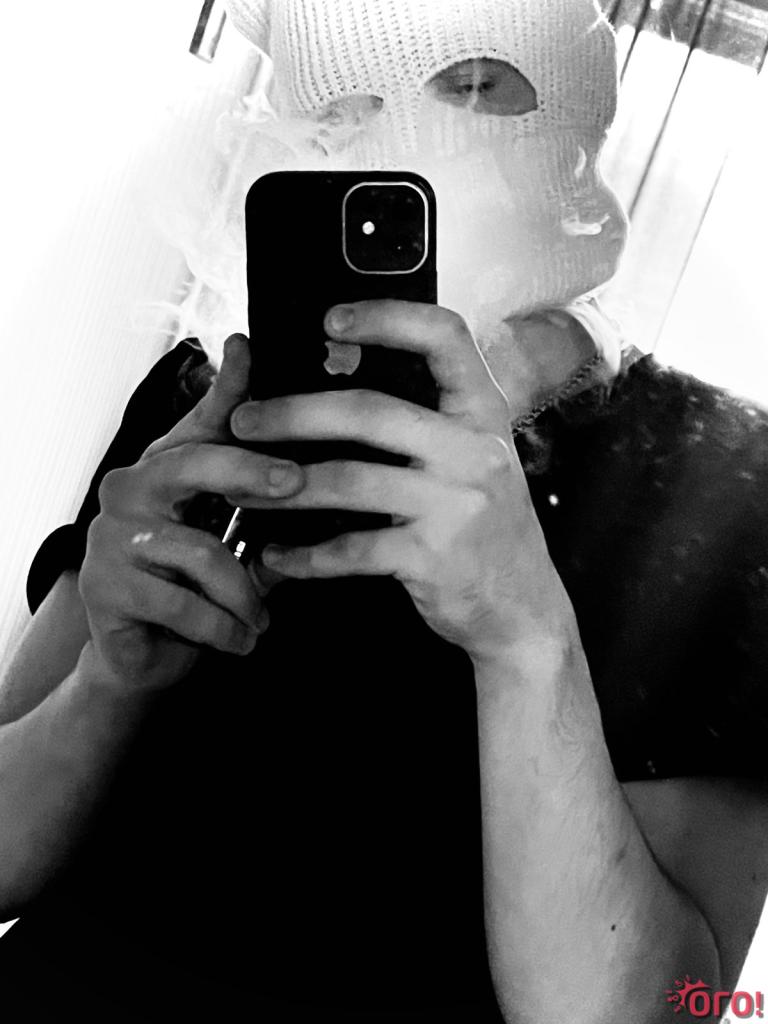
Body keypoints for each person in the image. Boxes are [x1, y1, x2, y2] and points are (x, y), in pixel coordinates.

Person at [1, 1, 768, 1021]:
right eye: (341, 97)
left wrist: (524, 641)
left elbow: (666, 1009)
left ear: (577, 102)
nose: (397, 130)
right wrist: (105, 682)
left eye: (471, 80)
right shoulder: (211, 389)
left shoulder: (724, 478)